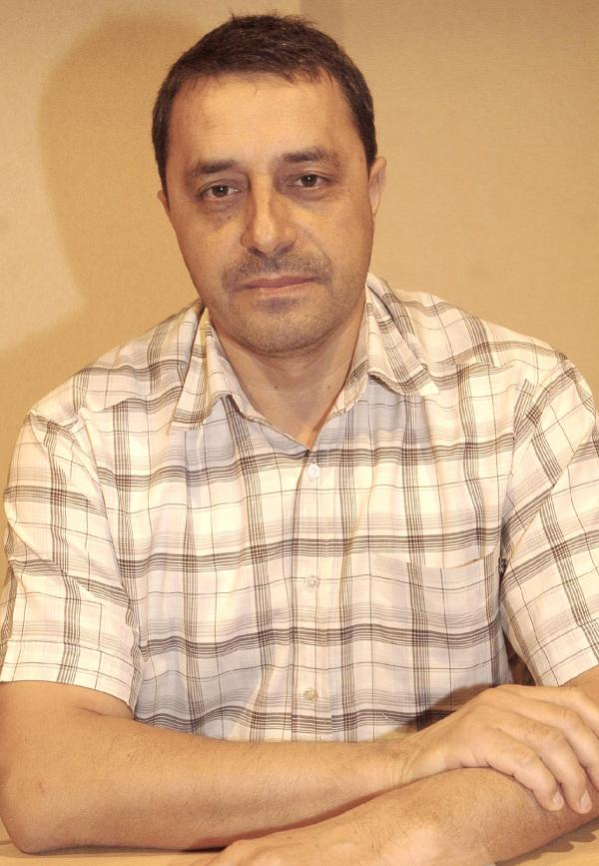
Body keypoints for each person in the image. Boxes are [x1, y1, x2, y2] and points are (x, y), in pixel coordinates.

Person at [1, 13, 599, 865]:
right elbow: (46, 782)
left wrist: (395, 838)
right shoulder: (77, 437)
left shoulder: (523, 400)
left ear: (372, 188)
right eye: (218, 190)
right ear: (169, 210)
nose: (266, 230)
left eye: (308, 179)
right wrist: (404, 760)